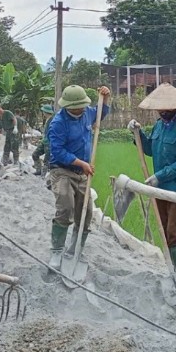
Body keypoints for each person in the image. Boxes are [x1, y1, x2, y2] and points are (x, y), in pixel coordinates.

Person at [127, 83, 176, 274]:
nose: (162, 111)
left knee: (175, 233)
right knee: (166, 231)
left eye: (166, 108)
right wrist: (138, 134)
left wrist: (160, 176)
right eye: (160, 108)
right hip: (161, 190)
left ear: (175, 107)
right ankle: (175, 270)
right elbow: (151, 149)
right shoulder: (160, 125)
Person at [47, 84, 111, 267]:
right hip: (62, 171)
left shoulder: (88, 114)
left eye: (84, 105)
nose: (82, 109)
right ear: (68, 106)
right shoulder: (58, 123)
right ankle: (57, 250)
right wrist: (81, 163)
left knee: (86, 212)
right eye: (78, 106)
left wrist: (105, 98)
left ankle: (75, 250)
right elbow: (57, 152)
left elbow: (100, 113)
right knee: (65, 206)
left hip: (83, 174)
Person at [32, 104, 55, 176]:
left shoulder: (53, 120)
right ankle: (38, 170)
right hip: (44, 141)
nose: (43, 113)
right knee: (35, 154)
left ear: (45, 112)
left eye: (43, 112)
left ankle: (43, 175)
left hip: (49, 143)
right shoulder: (47, 120)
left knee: (47, 160)